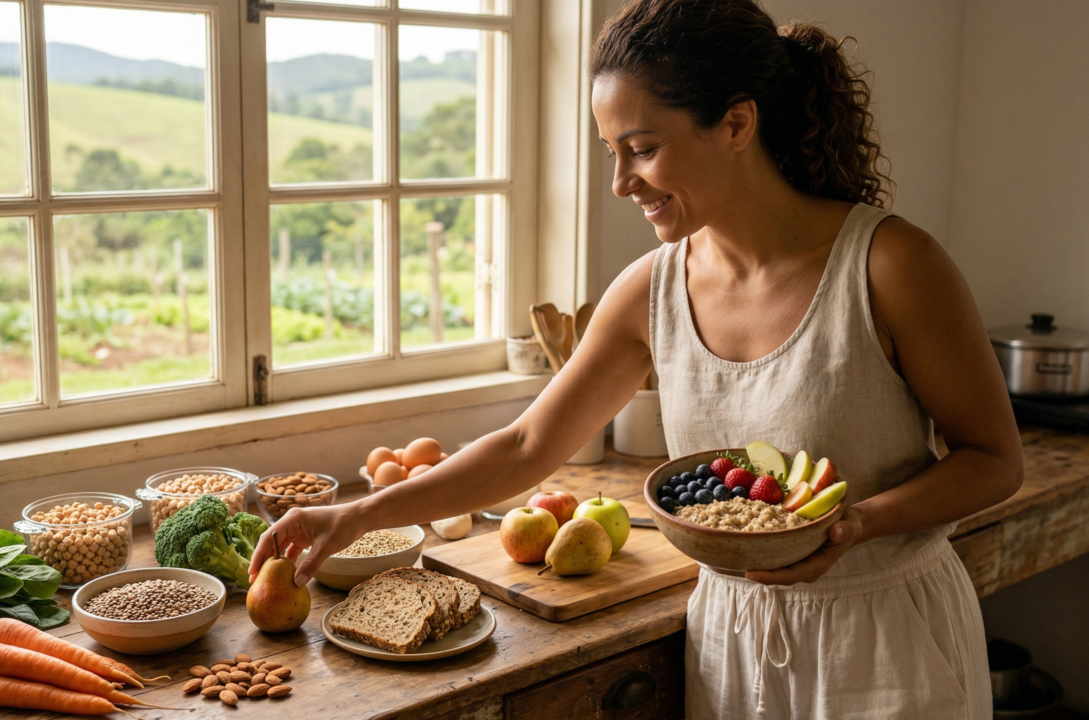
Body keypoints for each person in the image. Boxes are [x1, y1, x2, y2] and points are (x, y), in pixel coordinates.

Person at [249, 0, 1023, 716]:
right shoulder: (648, 291)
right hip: (731, 641)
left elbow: (993, 458)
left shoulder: (890, 265)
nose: (621, 182)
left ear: (737, 124)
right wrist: (354, 514)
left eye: (643, 149)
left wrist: (854, 526)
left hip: (887, 642)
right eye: (611, 152)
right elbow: (527, 446)